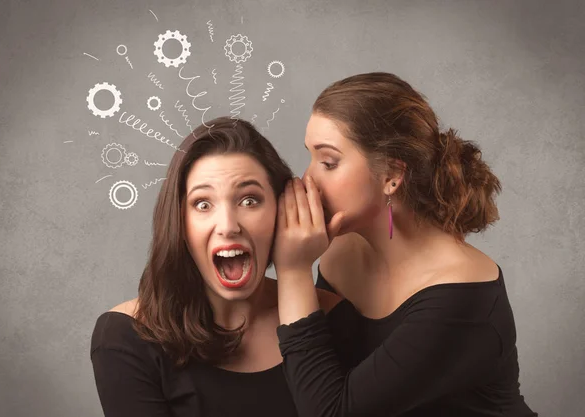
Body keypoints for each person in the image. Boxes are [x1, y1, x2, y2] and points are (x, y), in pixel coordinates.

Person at [273, 73, 538, 416]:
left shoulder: (461, 293)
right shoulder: (342, 250)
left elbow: (331, 411)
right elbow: (313, 373)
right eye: (310, 157)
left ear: (392, 175)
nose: (308, 179)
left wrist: (293, 271)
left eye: (328, 162)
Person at [90, 117, 340, 417]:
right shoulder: (125, 338)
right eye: (203, 204)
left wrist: (295, 271)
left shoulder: (336, 318)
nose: (228, 226)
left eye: (249, 200)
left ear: (283, 211)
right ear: (179, 223)